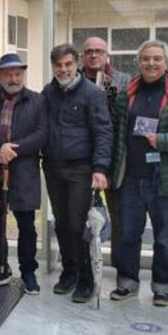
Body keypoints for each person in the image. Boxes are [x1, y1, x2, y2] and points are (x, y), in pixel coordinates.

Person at [109, 40, 168, 307]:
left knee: (165, 238)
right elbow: (116, 131)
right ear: (139, 62)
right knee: (128, 235)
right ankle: (127, 282)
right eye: (146, 59)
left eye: (157, 59)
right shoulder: (126, 92)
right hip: (130, 178)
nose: (151, 63)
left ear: (166, 62)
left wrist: (163, 140)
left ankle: (162, 286)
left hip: (165, 180)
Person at [0, 53, 48, 296]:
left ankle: (28, 272)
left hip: (24, 170)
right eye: (8, 74)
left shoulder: (37, 100)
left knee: (26, 225)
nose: (13, 79)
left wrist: (13, 150)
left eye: (17, 74)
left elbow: (42, 133)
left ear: (23, 74)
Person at [41, 44, 112, 303]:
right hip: (53, 167)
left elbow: (103, 132)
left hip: (81, 169)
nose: (64, 70)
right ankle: (69, 272)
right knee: (61, 223)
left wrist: (100, 168)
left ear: (76, 64)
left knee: (78, 224)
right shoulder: (48, 92)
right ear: (53, 66)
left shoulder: (92, 93)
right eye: (59, 65)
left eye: (68, 64)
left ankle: (86, 279)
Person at [81, 36, 130, 272]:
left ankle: (121, 269)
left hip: (116, 159)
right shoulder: (74, 80)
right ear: (82, 56)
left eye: (99, 51)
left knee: (119, 218)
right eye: (89, 51)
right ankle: (85, 270)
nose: (94, 55)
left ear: (107, 55)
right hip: (82, 160)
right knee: (82, 218)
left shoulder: (123, 81)